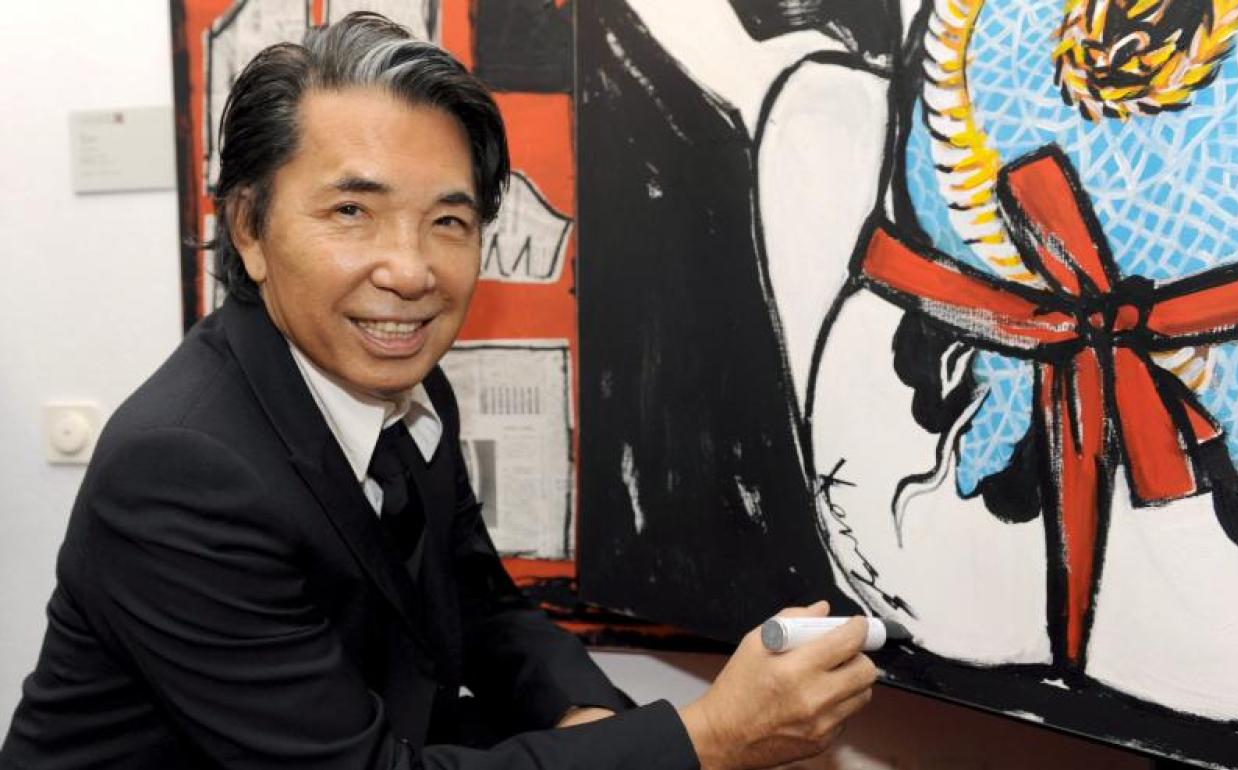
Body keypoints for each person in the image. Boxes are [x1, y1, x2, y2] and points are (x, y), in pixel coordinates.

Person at [0, 13, 875, 769]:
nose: (412, 271)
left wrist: (589, 719)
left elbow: (480, 604)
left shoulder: (397, 382)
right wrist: (706, 739)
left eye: (449, 221)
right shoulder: (180, 470)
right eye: (352, 212)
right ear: (250, 230)